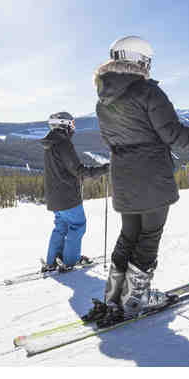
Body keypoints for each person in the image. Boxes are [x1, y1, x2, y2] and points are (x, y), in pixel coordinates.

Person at [83, 36, 189, 326]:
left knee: (129, 235)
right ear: (139, 59)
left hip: (123, 176)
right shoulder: (147, 92)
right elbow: (177, 136)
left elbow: (111, 139)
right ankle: (136, 298)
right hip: (152, 176)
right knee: (148, 237)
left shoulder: (103, 99)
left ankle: (113, 297)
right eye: (148, 61)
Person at [40, 111, 109, 272]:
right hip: (67, 196)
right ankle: (70, 260)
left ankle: (52, 261)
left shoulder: (50, 144)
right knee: (77, 226)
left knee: (61, 227)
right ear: (64, 125)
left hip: (54, 197)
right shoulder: (63, 143)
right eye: (72, 124)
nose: (73, 128)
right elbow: (79, 170)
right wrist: (104, 169)